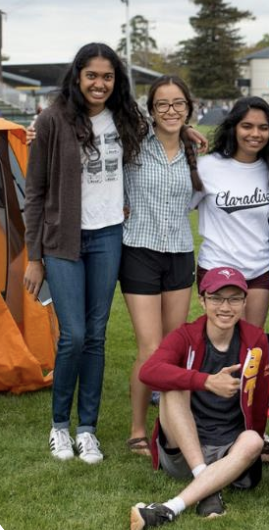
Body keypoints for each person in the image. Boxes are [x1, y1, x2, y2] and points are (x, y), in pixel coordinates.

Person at [24, 42, 147, 464]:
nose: (99, 83)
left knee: (95, 336)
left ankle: (87, 429)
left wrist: (185, 130)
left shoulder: (127, 118)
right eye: (91, 75)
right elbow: (35, 192)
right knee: (73, 334)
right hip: (63, 241)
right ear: (78, 76)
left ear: (117, 81)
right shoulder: (52, 119)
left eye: (107, 76)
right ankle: (60, 426)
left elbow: (164, 127)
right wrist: (34, 256)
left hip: (109, 236)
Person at [130, 267, 269, 528]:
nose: (225, 307)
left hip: (228, 452)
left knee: (253, 440)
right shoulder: (185, 335)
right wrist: (206, 381)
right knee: (172, 387)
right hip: (184, 448)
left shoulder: (255, 339)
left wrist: (253, 453)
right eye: (216, 298)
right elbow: (149, 372)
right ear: (202, 300)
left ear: (244, 302)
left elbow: (260, 398)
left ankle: (170, 508)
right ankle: (203, 480)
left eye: (234, 298)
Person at [121, 75, 203, 456]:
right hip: (139, 250)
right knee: (150, 347)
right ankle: (138, 429)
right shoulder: (133, 146)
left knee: (174, 348)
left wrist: (191, 133)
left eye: (178, 104)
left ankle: (170, 425)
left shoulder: (195, 151)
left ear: (188, 107)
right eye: (162, 105)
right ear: (151, 110)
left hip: (179, 253)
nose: (171, 111)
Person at [192, 97, 269, 328]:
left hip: (260, 269)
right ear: (233, 127)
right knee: (223, 341)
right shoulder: (207, 167)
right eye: (247, 126)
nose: (255, 133)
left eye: (263, 127)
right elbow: (181, 205)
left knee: (251, 343)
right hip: (217, 265)